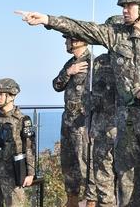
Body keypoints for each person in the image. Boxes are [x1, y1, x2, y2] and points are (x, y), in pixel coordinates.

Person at [16, 0, 140, 206]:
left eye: (129, 5)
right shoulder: (116, 35)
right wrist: (47, 19)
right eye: (122, 6)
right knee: (127, 193)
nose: (124, 10)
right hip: (127, 128)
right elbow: (82, 28)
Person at [52, 35, 96, 207]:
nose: (65, 43)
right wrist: (69, 72)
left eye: (68, 39)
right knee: (68, 162)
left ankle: (92, 200)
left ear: (77, 41)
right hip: (68, 121)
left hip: (83, 121)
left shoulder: (93, 63)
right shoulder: (70, 63)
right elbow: (56, 85)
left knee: (85, 161)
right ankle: (72, 199)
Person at [0, 78, 36, 206]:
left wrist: (30, 173)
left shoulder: (22, 120)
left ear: (11, 96)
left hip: (13, 176)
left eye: (1, 94)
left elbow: (30, 148)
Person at [85, 17, 120, 206]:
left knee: (127, 182)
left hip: (126, 128)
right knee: (103, 181)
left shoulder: (136, 61)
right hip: (101, 128)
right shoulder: (99, 62)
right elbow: (88, 96)